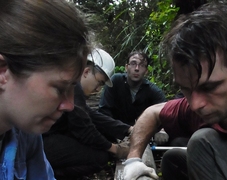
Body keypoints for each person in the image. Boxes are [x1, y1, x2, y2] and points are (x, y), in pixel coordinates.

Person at [123, 2, 227, 180]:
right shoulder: (200, 106)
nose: (195, 104)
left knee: (203, 140)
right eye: (186, 89)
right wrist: (133, 161)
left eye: (210, 87)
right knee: (173, 159)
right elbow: (152, 113)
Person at [0, 0, 90, 179]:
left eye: (73, 87)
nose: (69, 105)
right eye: (59, 88)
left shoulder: (26, 134)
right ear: (3, 70)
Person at [43, 48, 133, 180]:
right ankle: (50, 174)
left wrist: (127, 129)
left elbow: (90, 115)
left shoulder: (73, 86)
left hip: (46, 138)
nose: (98, 89)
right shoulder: (74, 87)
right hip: (40, 141)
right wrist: (115, 149)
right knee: (100, 157)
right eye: (99, 82)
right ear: (86, 72)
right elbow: (84, 130)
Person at [98, 50, 166, 126]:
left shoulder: (153, 91)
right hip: (114, 131)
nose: (137, 68)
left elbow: (163, 114)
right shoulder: (115, 82)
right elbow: (104, 111)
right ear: (126, 67)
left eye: (142, 65)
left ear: (146, 71)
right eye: (133, 63)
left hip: (141, 133)